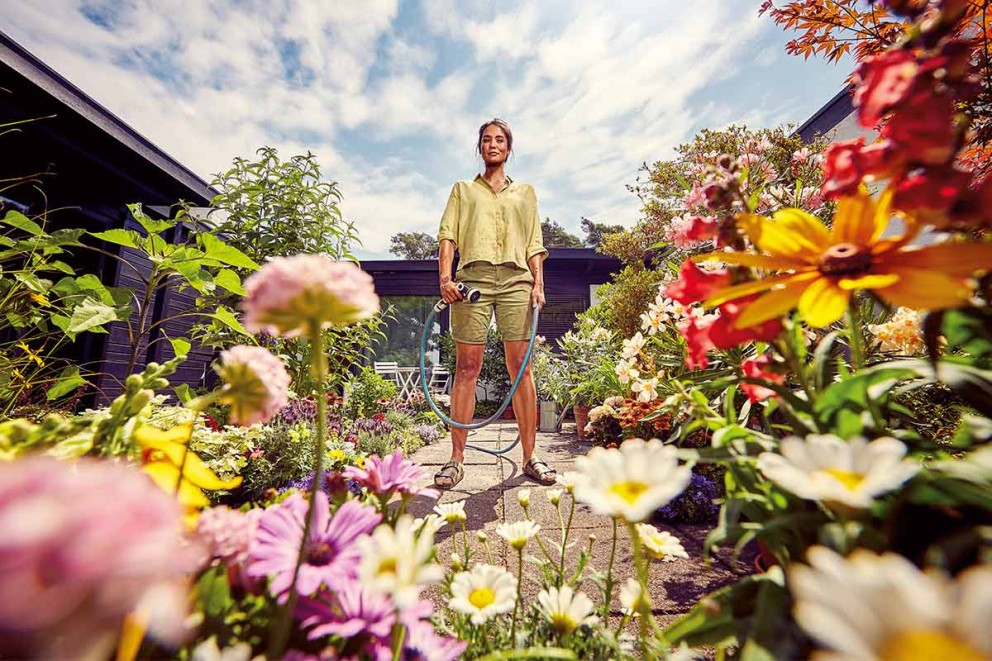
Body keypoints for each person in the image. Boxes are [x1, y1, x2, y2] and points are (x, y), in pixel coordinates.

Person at [433, 118, 557, 489]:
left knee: (521, 367)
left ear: (508, 147)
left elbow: (534, 242)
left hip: (517, 280)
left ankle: (530, 457)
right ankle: (456, 460)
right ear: (480, 147)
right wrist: (445, 278)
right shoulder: (462, 190)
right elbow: (447, 237)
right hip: (472, 278)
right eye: (486, 139)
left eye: (499, 139)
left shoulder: (526, 193)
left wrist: (538, 282)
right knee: (467, 367)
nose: (492, 144)